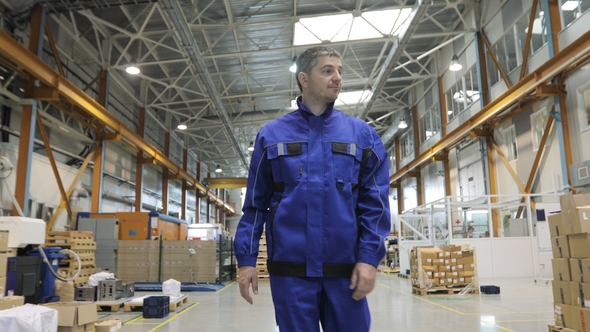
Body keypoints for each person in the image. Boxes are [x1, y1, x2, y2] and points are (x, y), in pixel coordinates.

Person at [233, 46, 391, 332]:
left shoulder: (362, 136)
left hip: (346, 273)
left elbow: (375, 204)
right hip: (291, 273)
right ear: (304, 79)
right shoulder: (271, 135)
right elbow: (256, 205)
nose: (337, 78)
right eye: (328, 71)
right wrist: (246, 260)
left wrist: (369, 258)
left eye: (340, 72)